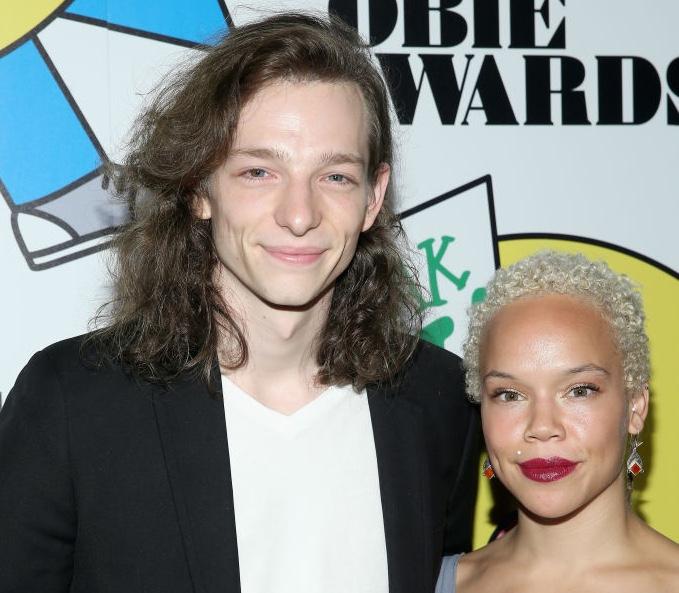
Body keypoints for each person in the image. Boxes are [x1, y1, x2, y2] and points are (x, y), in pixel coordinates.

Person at [0, 12, 480, 593]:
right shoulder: (74, 400)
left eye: (335, 177)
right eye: (258, 171)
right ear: (201, 188)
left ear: (373, 199)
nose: (298, 215)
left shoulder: (438, 401)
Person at [436, 251, 679, 593]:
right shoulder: (423, 582)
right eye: (509, 394)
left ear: (635, 406)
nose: (542, 425)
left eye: (579, 390)